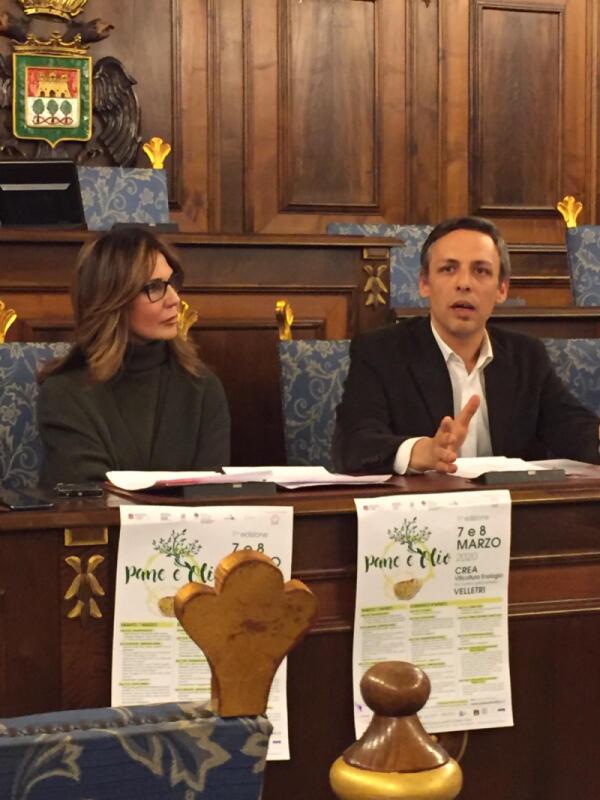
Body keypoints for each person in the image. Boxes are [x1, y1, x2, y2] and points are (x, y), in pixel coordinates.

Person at [333, 216, 600, 474]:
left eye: (480, 271)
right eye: (448, 269)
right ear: (424, 283)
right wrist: (419, 451)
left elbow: (574, 429)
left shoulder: (527, 357)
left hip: (511, 503)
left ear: (502, 289)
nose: (464, 284)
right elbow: (354, 445)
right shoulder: (381, 352)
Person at [37, 226, 230, 487]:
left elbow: (211, 496)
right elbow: (87, 498)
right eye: (154, 287)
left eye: (172, 283)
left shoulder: (203, 386)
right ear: (112, 299)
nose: (174, 299)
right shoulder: (64, 393)